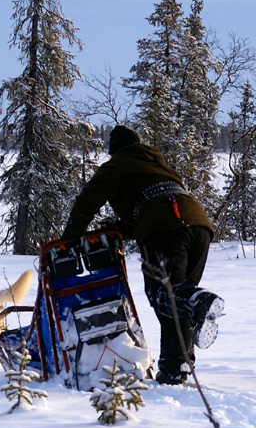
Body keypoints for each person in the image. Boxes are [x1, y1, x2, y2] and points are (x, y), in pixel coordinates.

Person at [62, 125, 224, 385]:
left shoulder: (119, 163)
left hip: (166, 225)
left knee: (163, 294)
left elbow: (88, 200)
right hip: (199, 225)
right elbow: (151, 203)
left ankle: (199, 300)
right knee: (176, 300)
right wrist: (117, 229)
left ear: (114, 152)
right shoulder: (155, 164)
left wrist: (69, 237)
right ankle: (175, 368)